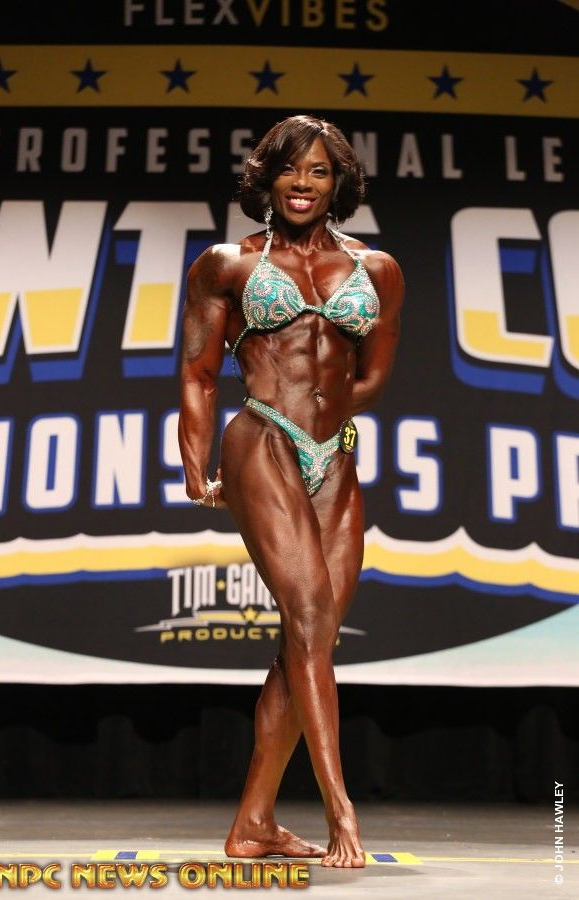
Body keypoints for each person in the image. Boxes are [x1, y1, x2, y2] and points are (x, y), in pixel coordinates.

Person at [178, 115, 403, 867]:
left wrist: (326, 417)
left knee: (310, 639)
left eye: (318, 172)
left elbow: (373, 376)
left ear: (338, 184)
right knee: (307, 618)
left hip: (335, 453)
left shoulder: (378, 269)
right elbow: (199, 372)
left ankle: (253, 824)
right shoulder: (227, 264)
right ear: (266, 179)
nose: (302, 184)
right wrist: (196, 464)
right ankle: (342, 809)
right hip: (262, 437)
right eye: (289, 170)